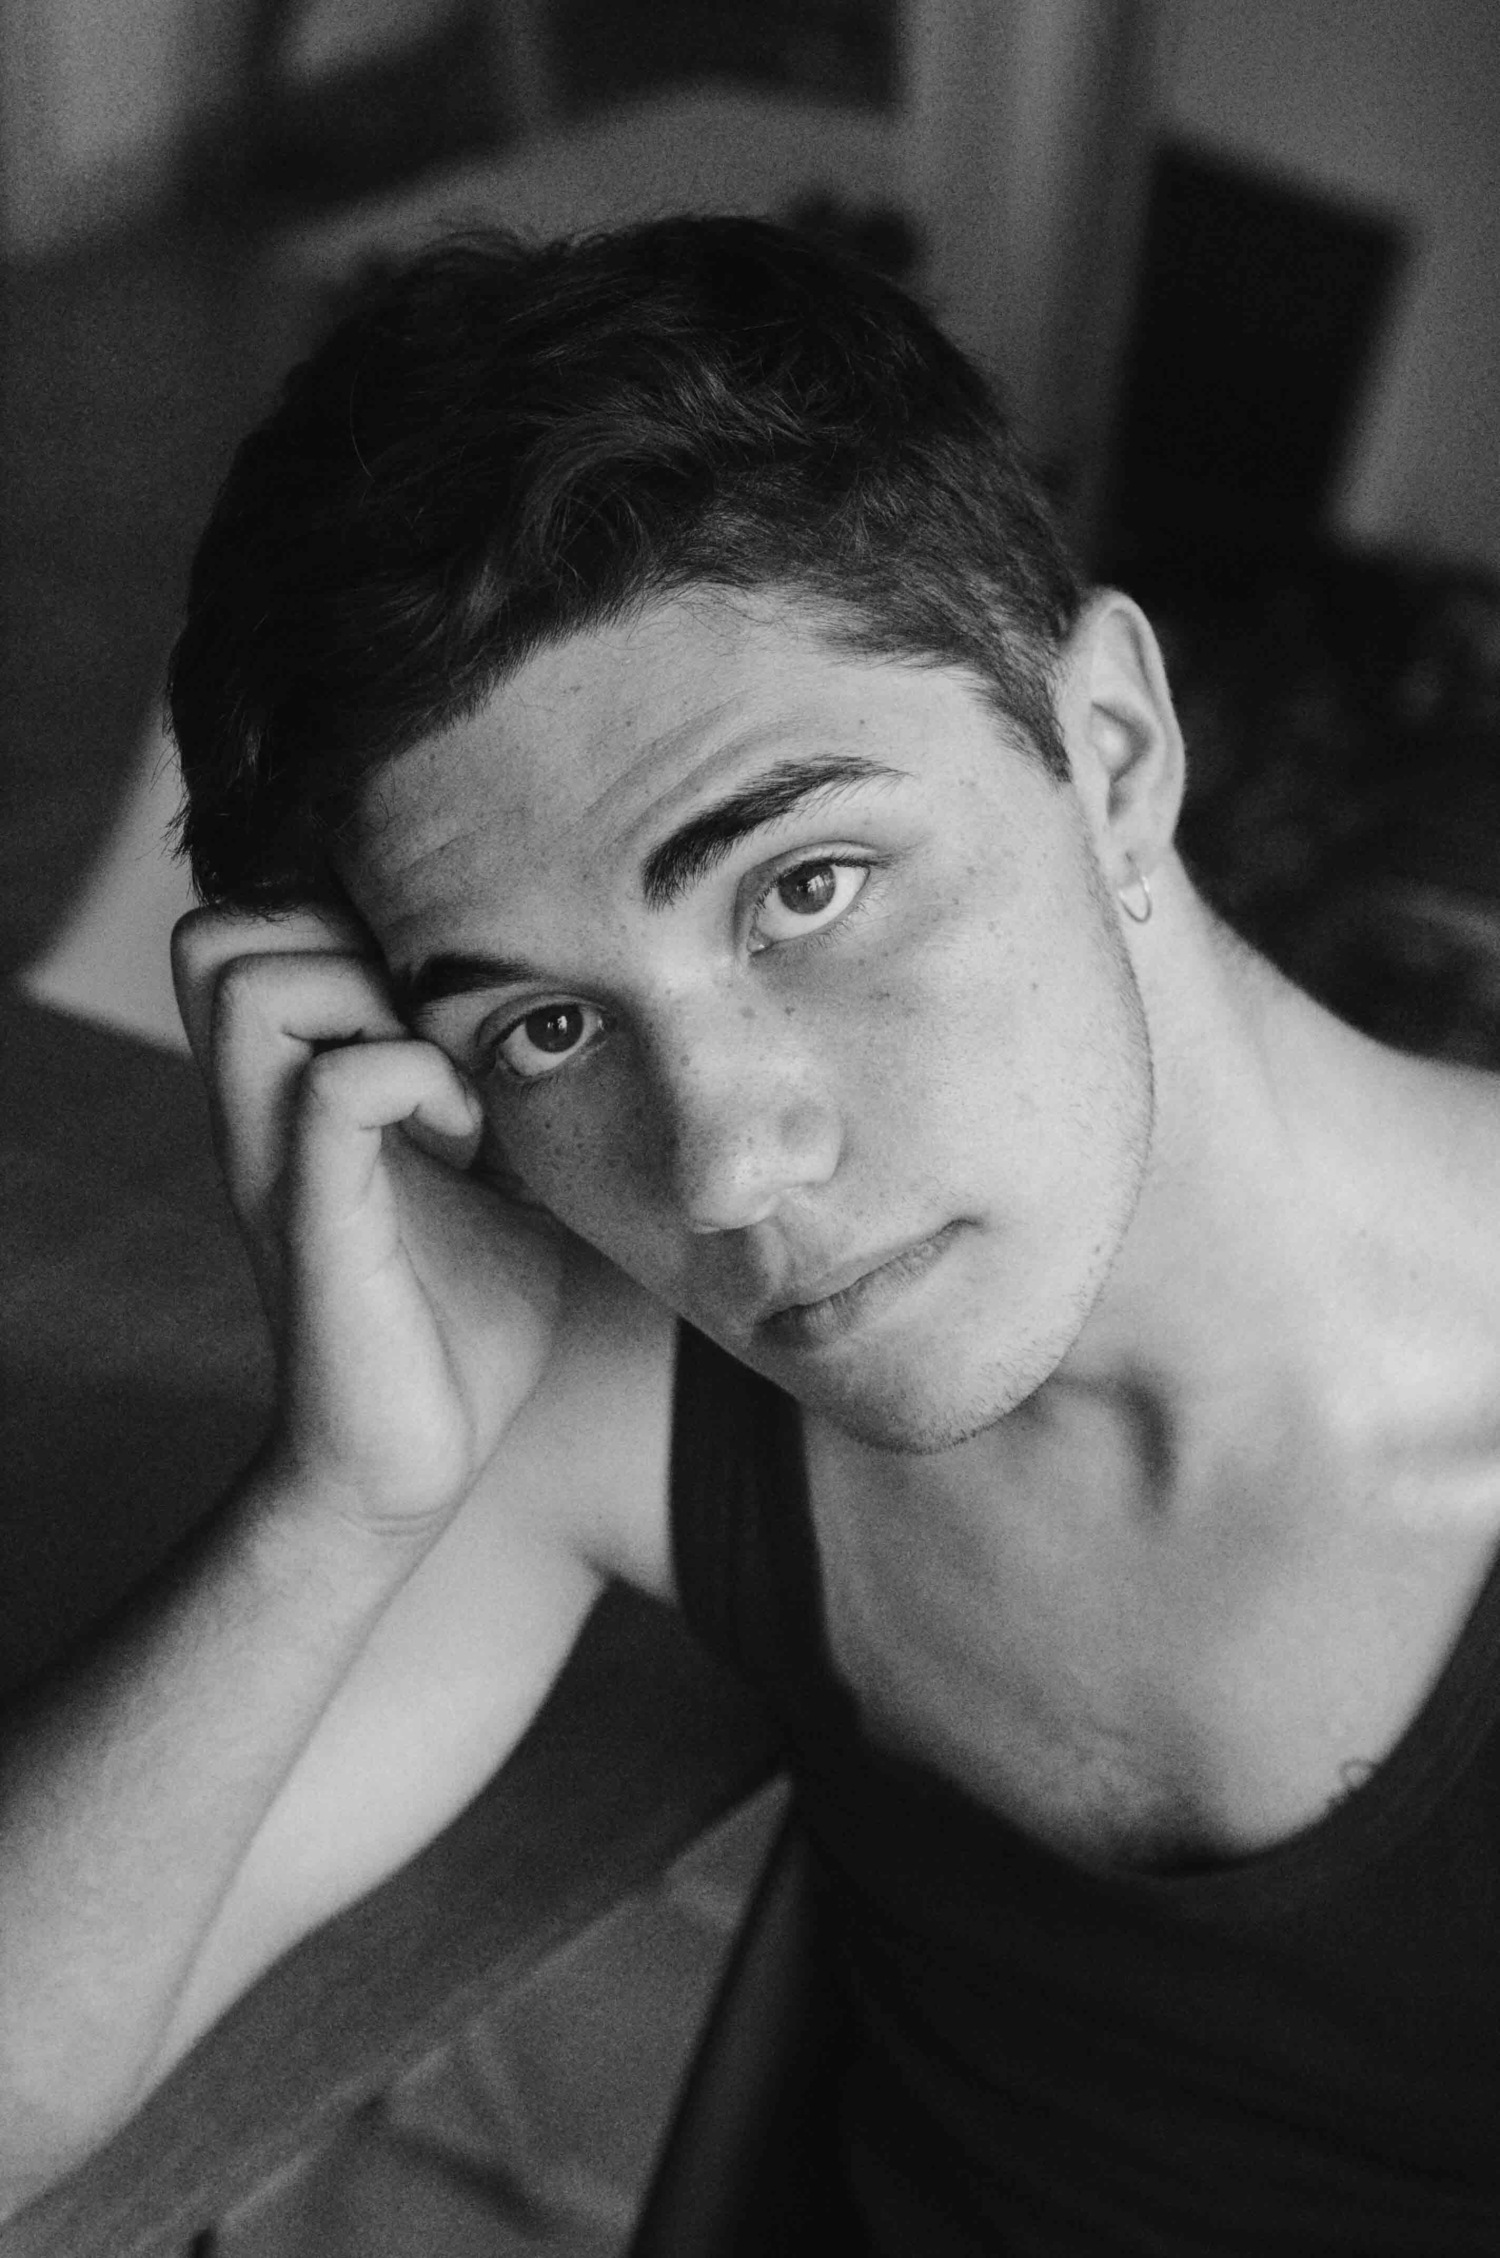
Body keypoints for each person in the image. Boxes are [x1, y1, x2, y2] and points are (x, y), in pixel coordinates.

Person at [4, 214, 1500, 2252]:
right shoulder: (643, 1388)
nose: (720, 1164)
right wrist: (337, 1506)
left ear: (1112, 755)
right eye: (546, 1026)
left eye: (805, 888)